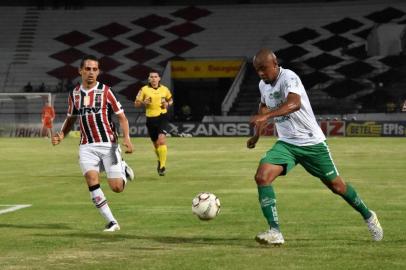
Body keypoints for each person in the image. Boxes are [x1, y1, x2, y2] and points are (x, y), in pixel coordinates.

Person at [247, 48, 383, 245]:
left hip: (312, 143)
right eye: (257, 70)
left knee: (337, 186)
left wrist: (266, 116)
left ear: (275, 64)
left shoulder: (289, 77)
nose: (260, 73)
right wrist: (256, 136)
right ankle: (275, 232)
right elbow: (263, 108)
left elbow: (294, 103)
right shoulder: (263, 85)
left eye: (263, 69)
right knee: (262, 176)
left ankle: (369, 215)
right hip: (287, 144)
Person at [51, 55, 134, 232]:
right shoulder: (74, 94)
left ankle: (124, 169)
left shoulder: (106, 91)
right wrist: (61, 135)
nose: (91, 72)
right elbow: (71, 119)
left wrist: (127, 138)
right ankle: (112, 222)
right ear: (80, 71)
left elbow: (122, 117)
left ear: (98, 72)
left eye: (94, 69)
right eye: (87, 69)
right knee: (91, 179)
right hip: (86, 145)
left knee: (117, 187)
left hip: (108, 144)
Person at [134, 70, 173, 176]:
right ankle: (160, 160)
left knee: (161, 141)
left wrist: (167, 104)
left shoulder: (165, 89)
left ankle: (162, 166)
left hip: (162, 116)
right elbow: (136, 104)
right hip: (151, 119)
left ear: (159, 78)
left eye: (156, 77)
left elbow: (170, 100)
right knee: (156, 144)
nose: (154, 79)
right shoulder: (144, 90)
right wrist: (143, 102)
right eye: (151, 77)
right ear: (149, 79)